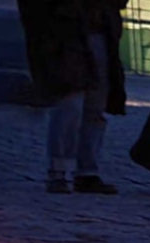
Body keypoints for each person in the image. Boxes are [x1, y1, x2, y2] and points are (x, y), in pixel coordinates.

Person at [19, 0, 128, 194]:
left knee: (95, 106)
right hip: (65, 36)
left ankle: (86, 172)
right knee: (70, 103)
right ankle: (59, 171)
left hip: (98, 32)